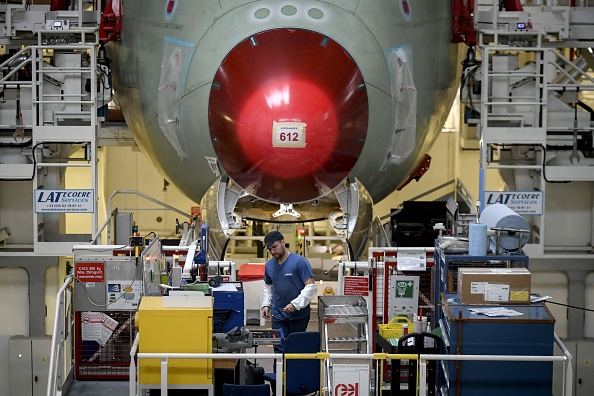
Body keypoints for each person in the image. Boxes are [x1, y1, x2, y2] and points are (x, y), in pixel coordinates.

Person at [261, 231, 317, 349]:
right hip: (278, 315)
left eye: (274, 247)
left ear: (283, 242)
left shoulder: (299, 262)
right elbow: (268, 286)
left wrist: (295, 304)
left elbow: (311, 287)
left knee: (295, 348)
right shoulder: (269, 265)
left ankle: (293, 367)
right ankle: (279, 368)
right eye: (269, 249)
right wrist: (266, 304)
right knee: (278, 347)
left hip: (298, 315)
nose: (272, 252)